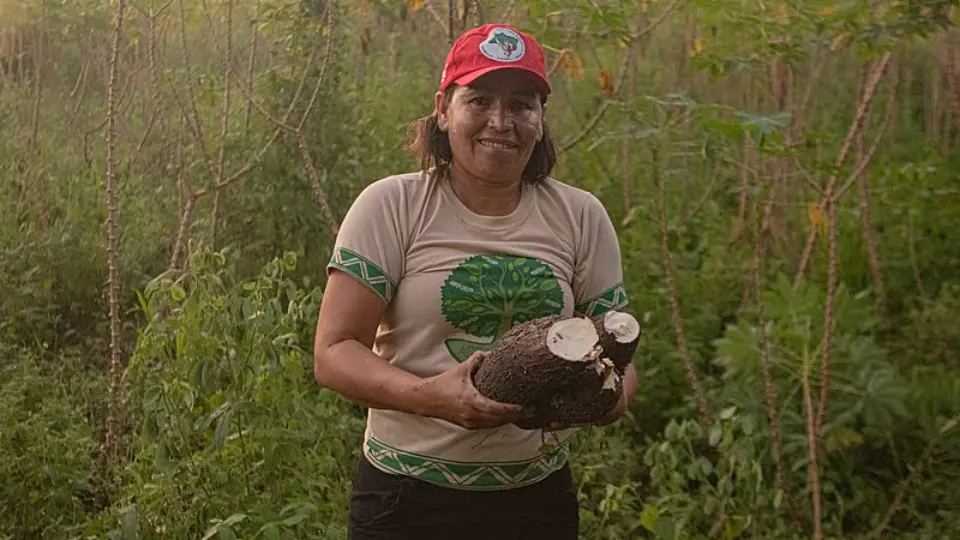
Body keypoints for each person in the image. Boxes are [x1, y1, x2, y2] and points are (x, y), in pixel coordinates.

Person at [312, 22, 637, 540]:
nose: (501, 121)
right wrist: (432, 398)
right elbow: (333, 351)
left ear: (541, 118)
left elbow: (622, 366)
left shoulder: (580, 216)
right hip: (406, 500)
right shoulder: (391, 206)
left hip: (536, 500)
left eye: (522, 105)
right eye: (479, 100)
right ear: (444, 109)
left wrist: (594, 401)